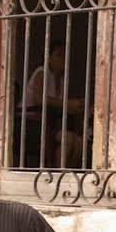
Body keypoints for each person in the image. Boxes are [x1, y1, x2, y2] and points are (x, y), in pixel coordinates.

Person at [18, 38, 85, 169]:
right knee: (68, 140)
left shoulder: (60, 79)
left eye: (66, 55)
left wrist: (80, 106)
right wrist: (68, 104)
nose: (64, 59)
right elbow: (39, 99)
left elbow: (60, 105)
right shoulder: (42, 72)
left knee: (79, 142)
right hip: (29, 124)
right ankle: (56, 173)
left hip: (49, 123)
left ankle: (66, 175)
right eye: (59, 55)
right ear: (48, 58)